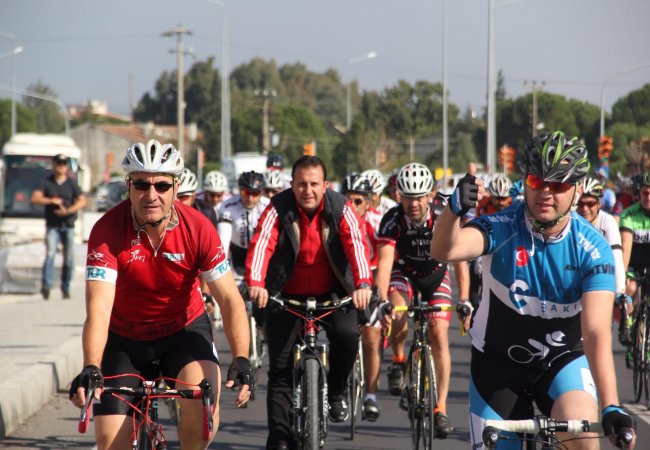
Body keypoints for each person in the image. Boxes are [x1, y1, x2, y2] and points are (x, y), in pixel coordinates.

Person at [430, 131, 636, 449]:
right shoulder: (501, 226)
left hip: (562, 362)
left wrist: (611, 404)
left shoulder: (592, 248)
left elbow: (596, 332)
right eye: (537, 181)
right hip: (498, 366)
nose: (546, 193)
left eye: (559, 184)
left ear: (578, 189)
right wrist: (453, 210)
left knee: (583, 439)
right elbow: (445, 250)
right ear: (525, 181)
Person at [69, 140, 253, 450]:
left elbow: (230, 300)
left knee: (203, 411)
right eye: (142, 184)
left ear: (176, 187)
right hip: (124, 338)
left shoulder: (199, 228)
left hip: (182, 332)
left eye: (162, 185)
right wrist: (91, 366)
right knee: (110, 441)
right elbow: (98, 310)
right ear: (129, 185)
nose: (151, 195)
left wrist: (242, 357)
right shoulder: (106, 231)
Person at [245, 155, 373, 450]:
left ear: (325, 185)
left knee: (347, 335)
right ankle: (279, 435)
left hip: (333, 293)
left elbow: (357, 244)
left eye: (314, 184)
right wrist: (256, 283)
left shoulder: (340, 207)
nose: (308, 190)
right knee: (279, 369)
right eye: (301, 184)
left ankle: (338, 391)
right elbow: (261, 243)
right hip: (285, 295)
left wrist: (363, 284)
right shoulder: (278, 207)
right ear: (291, 184)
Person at [376, 162, 469, 439]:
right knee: (397, 308)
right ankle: (399, 359)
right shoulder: (392, 220)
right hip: (403, 272)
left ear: (431, 195)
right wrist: (381, 300)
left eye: (419, 197)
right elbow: (383, 265)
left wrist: (464, 298)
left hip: (435, 274)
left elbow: (460, 257)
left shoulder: (444, 214)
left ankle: (440, 409)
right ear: (398, 196)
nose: (414, 203)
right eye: (408, 197)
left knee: (439, 334)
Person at [341, 173, 382, 421]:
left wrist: (381, 290)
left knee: (370, 335)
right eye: (347, 201)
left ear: (368, 203)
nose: (352, 207)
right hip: (344, 281)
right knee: (341, 336)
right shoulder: (335, 222)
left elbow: (388, 259)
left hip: (372, 279)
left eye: (357, 201)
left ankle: (370, 396)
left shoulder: (377, 223)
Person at [577, 175, 629, 345]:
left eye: (590, 204)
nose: (585, 209)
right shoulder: (569, 220)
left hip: (597, 274)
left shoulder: (607, 222)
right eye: (581, 203)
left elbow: (616, 257)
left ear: (599, 204)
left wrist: (620, 290)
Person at [31, 153, 86, 300]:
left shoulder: (71, 183)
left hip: (68, 224)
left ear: (66, 166)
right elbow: (35, 198)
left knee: (68, 258)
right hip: (52, 225)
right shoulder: (46, 182)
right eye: (58, 164)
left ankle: (65, 288)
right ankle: (47, 286)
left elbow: (82, 201)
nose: (61, 167)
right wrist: (51, 201)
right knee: (50, 255)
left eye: (63, 164)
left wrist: (68, 210)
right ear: (54, 165)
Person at [218, 171, 269, 277]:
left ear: (261, 193)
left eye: (255, 194)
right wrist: (221, 267)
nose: (250, 198)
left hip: (261, 253)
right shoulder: (228, 206)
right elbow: (224, 240)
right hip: (238, 253)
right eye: (246, 192)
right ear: (239, 190)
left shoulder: (268, 206)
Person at [619, 172, 650, 343]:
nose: (649, 197)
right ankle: (629, 323)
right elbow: (625, 247)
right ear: (639, 194)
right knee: (630, 287)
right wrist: (622, 274)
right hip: (634, 263)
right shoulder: (629, 215)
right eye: (646, 193)